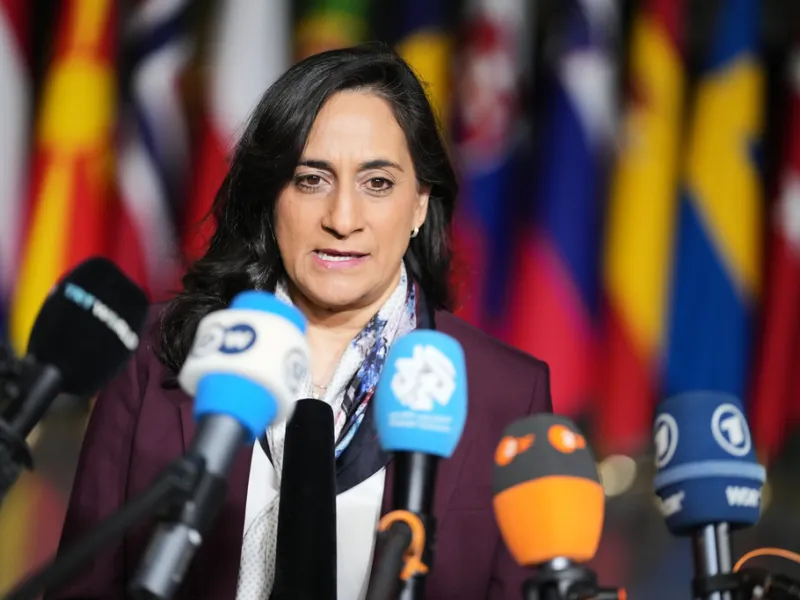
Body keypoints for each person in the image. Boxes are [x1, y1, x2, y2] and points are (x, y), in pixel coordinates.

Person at [47, 43, 552, 600]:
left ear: (419, 204)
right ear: (272, 194)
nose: (342, 219)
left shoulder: (507, 392)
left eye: (377, 183)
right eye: (312, 179)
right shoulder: (158, 352)